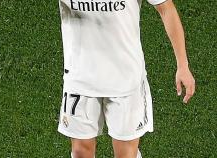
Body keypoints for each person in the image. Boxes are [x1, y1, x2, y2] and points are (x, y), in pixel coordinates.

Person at [57, 0, 196, 157]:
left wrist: (183, 65)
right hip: (79, 77)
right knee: (80, 151)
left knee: (126, 154)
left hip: (126, 79)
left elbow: (166, 8)